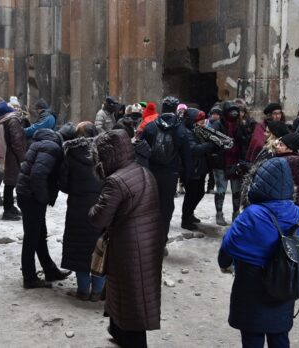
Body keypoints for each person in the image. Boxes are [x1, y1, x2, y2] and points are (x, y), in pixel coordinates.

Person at [218, 157, 299, 348]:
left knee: (252, 337)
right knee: (280, 335)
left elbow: (228, 245)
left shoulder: (252, 214)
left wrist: (224, 263)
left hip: (252, 282)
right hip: (284, 281)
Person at [89, 129, 162, 348]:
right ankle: (117, 331)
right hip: (148, 242)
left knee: (132, 297)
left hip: (129, 246)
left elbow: (98, 218)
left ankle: (133, 341)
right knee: (130, 291)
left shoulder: (116, 181)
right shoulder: (142, 171)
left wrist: (92, 208)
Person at [16, 128, 70, 289]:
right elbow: (38, 174)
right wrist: (43, 198)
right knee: (32, 237)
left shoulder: (42, 142)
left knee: (39, 234)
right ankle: (29, 277)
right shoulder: (53, 148)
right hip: (31, 196)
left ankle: (50, 269)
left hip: (27, 193)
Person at [58, 122, 104, 301]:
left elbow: (63, 183)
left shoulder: (69, 153)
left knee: (79, 247)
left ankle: (83, 291)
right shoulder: (104, 152)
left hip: (77, 205)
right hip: (101, 205)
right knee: (99, 248)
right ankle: (98, 291)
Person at [141, 96, 191, 251]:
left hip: (151, 173)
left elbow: (141, 151)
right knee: (166, 208)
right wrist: (186, 177)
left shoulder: (150, 127)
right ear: (176, 109)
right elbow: (186, 156)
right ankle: (161, 241)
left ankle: (147, 240)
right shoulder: (181, 130)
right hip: (170, 174)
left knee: (148, 207)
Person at [181, 108, 217, 231]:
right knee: (191, 195)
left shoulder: (195, 130)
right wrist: (211, 144)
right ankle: (185, 219)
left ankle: (190, 214)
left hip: (199, 168)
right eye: (200, 122)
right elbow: (194, 149)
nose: (203, 124)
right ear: (192, 122)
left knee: (199, 192)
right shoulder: (186, 132)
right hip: (192, 169)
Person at [0, 101, 25, 221]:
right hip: (12, 156)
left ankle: (10, 207)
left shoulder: (1, 120)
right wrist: (22, 158)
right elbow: (16, 141)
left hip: (6, 155)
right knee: (10, 183)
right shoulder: (13, 120)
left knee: (9, 182)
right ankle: (8, 210)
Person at [221, 101, 252, 222]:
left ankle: (236, 212)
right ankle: (219, 213)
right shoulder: (221, 124)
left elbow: (245, 142)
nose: (235, 114)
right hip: (223, 161)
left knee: (236, 189)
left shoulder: (242, 125)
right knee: (221, 189)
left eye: (238, 111)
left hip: (237, 160)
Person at [275, 132, 299, 210]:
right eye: (277, 144)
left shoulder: (288, 161)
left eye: (281, 145)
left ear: (290, 147)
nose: (277, 147)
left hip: (286, 200)